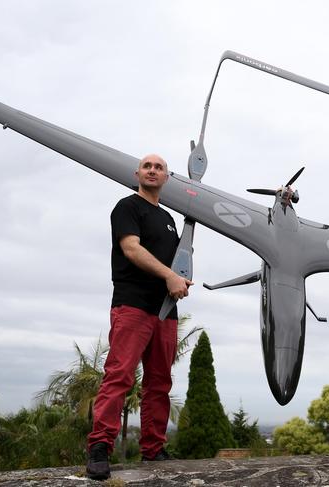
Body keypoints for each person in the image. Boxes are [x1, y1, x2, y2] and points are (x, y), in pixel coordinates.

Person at [86, 154, 193, 480]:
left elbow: (177, 263)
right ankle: (99, 448)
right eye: (147, 166)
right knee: (119, 375)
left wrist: (182, 278)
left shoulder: (171, 220)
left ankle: (153, 448)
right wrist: (170, 277)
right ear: (137, 173)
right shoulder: (127, 207)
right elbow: (131, 249)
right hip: (132, 305)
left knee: (160, 382)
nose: (152, 170)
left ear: (165, 177)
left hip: (165, 311)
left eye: (158, 167)